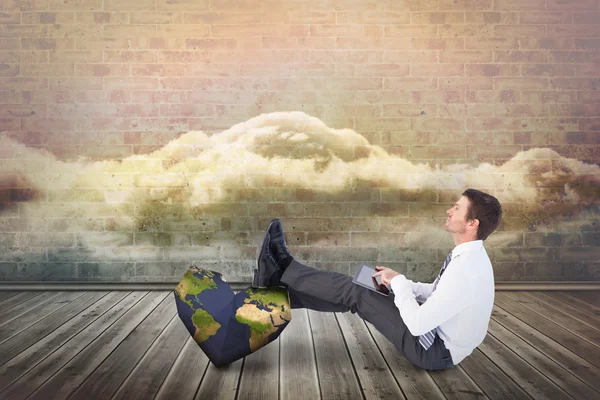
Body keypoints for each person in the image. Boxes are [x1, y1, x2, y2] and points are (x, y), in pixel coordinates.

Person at [252, 188, 502, 371]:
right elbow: (440, 295)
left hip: (431, 350)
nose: (449, 210)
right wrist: (397, 282)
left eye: (457, 208)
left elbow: (417, 325)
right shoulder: (471, 257)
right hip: (438, 341)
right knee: (366, 283)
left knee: (358, 293)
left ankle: (283, 270)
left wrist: (400, 283)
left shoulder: (466, 270)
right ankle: (275, 293)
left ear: (472, 223)